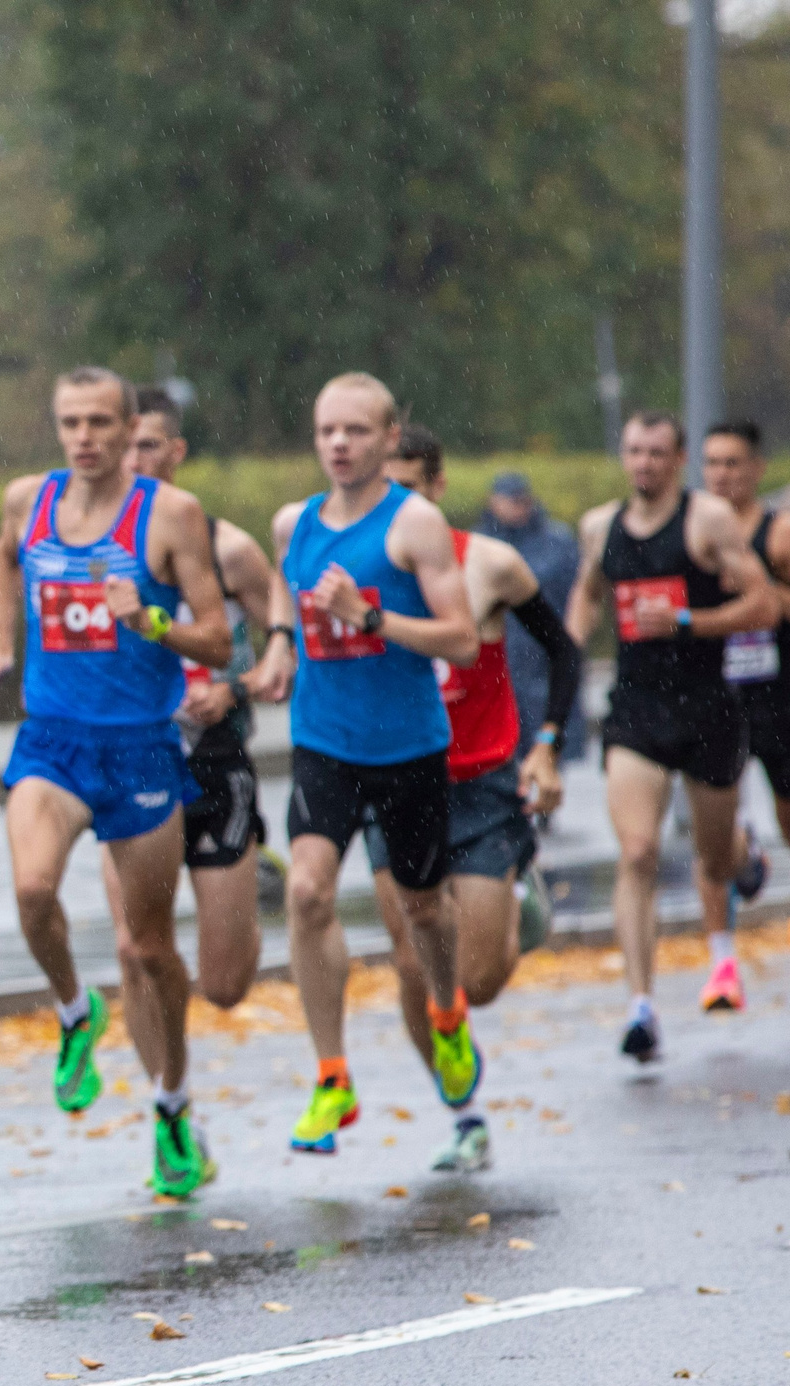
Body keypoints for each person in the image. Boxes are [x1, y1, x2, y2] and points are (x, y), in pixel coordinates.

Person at [0, 369, 241, 1202]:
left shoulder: (169, 514)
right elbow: (1, 559)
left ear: (131, 428)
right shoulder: (30, 500)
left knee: (151, 949)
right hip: (52, 740)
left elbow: (221, 640)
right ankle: (72, 1009)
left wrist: (150, 621)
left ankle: (172, 1106)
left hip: (140, 749)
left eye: (99, 422)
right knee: (29, 890)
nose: (84, 436)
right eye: (69, 422)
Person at [269, 373, 484, 1154]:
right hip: (324, 739)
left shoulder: (416, 524)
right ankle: (332, 1075)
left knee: (424, 909)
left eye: (356, 431)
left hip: (408, 747)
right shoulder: (293, 523)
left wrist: (374, 617)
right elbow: (284, 603)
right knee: (305, 890)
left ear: (390, 439)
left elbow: (462, 637)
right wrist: (274, 651)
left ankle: (447, 1010)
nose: (338, 444)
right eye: (327, 430)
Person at [372, 426, 585, 1171]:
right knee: (410, 959)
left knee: (481, 980)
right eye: (379, 490)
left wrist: (547, 743)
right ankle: (462, 1115)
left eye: (405, 488)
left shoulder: (488, 563)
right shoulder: (350, 568)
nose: (392, 506)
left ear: (436, 485)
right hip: (393, 777)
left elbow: (564, 649)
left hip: (482, 782)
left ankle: (517, 899)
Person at [568, 411, 780, 1055]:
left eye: (657, 453)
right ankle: (640, 1007)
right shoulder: (599, 526)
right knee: (637, 852)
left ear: (679, 459)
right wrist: (565, 658)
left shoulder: (705, 521)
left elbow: (764, 604)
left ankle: (745, 859)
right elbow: (587, 595)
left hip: (708, 708)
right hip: (635, 710)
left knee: (714, 859)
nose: (643, 464)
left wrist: (687, 619)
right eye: (634, 451)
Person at [98, 388, 294, 1026]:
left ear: (175, 452)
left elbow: (288, 655)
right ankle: (168, 1106)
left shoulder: (228, 549)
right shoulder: (86, 546)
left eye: (146, 445)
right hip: (129, 761)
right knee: (134, 948)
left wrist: (233, 688)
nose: (132, 459)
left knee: (226, 984)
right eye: (122, 445)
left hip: (214, 758)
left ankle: (255, 869)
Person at [697, 421, 790, 862]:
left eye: (732, 463)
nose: (721, 474)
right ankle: (720, 931)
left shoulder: (779, 533)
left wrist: (760, 594)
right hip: (710, 689)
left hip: (777, 689)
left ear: (757, 468)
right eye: (712, 463)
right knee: (711, 830)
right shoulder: (693, 532)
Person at [478, 471, 588, 765]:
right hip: (497, 659)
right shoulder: (480, 543)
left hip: (543, 654)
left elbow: (579, 597)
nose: (517, 507)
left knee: (545, 749)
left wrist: (571, 644)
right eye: (509, 500)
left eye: (521, 500)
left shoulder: (557, 541)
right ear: (493, 502)